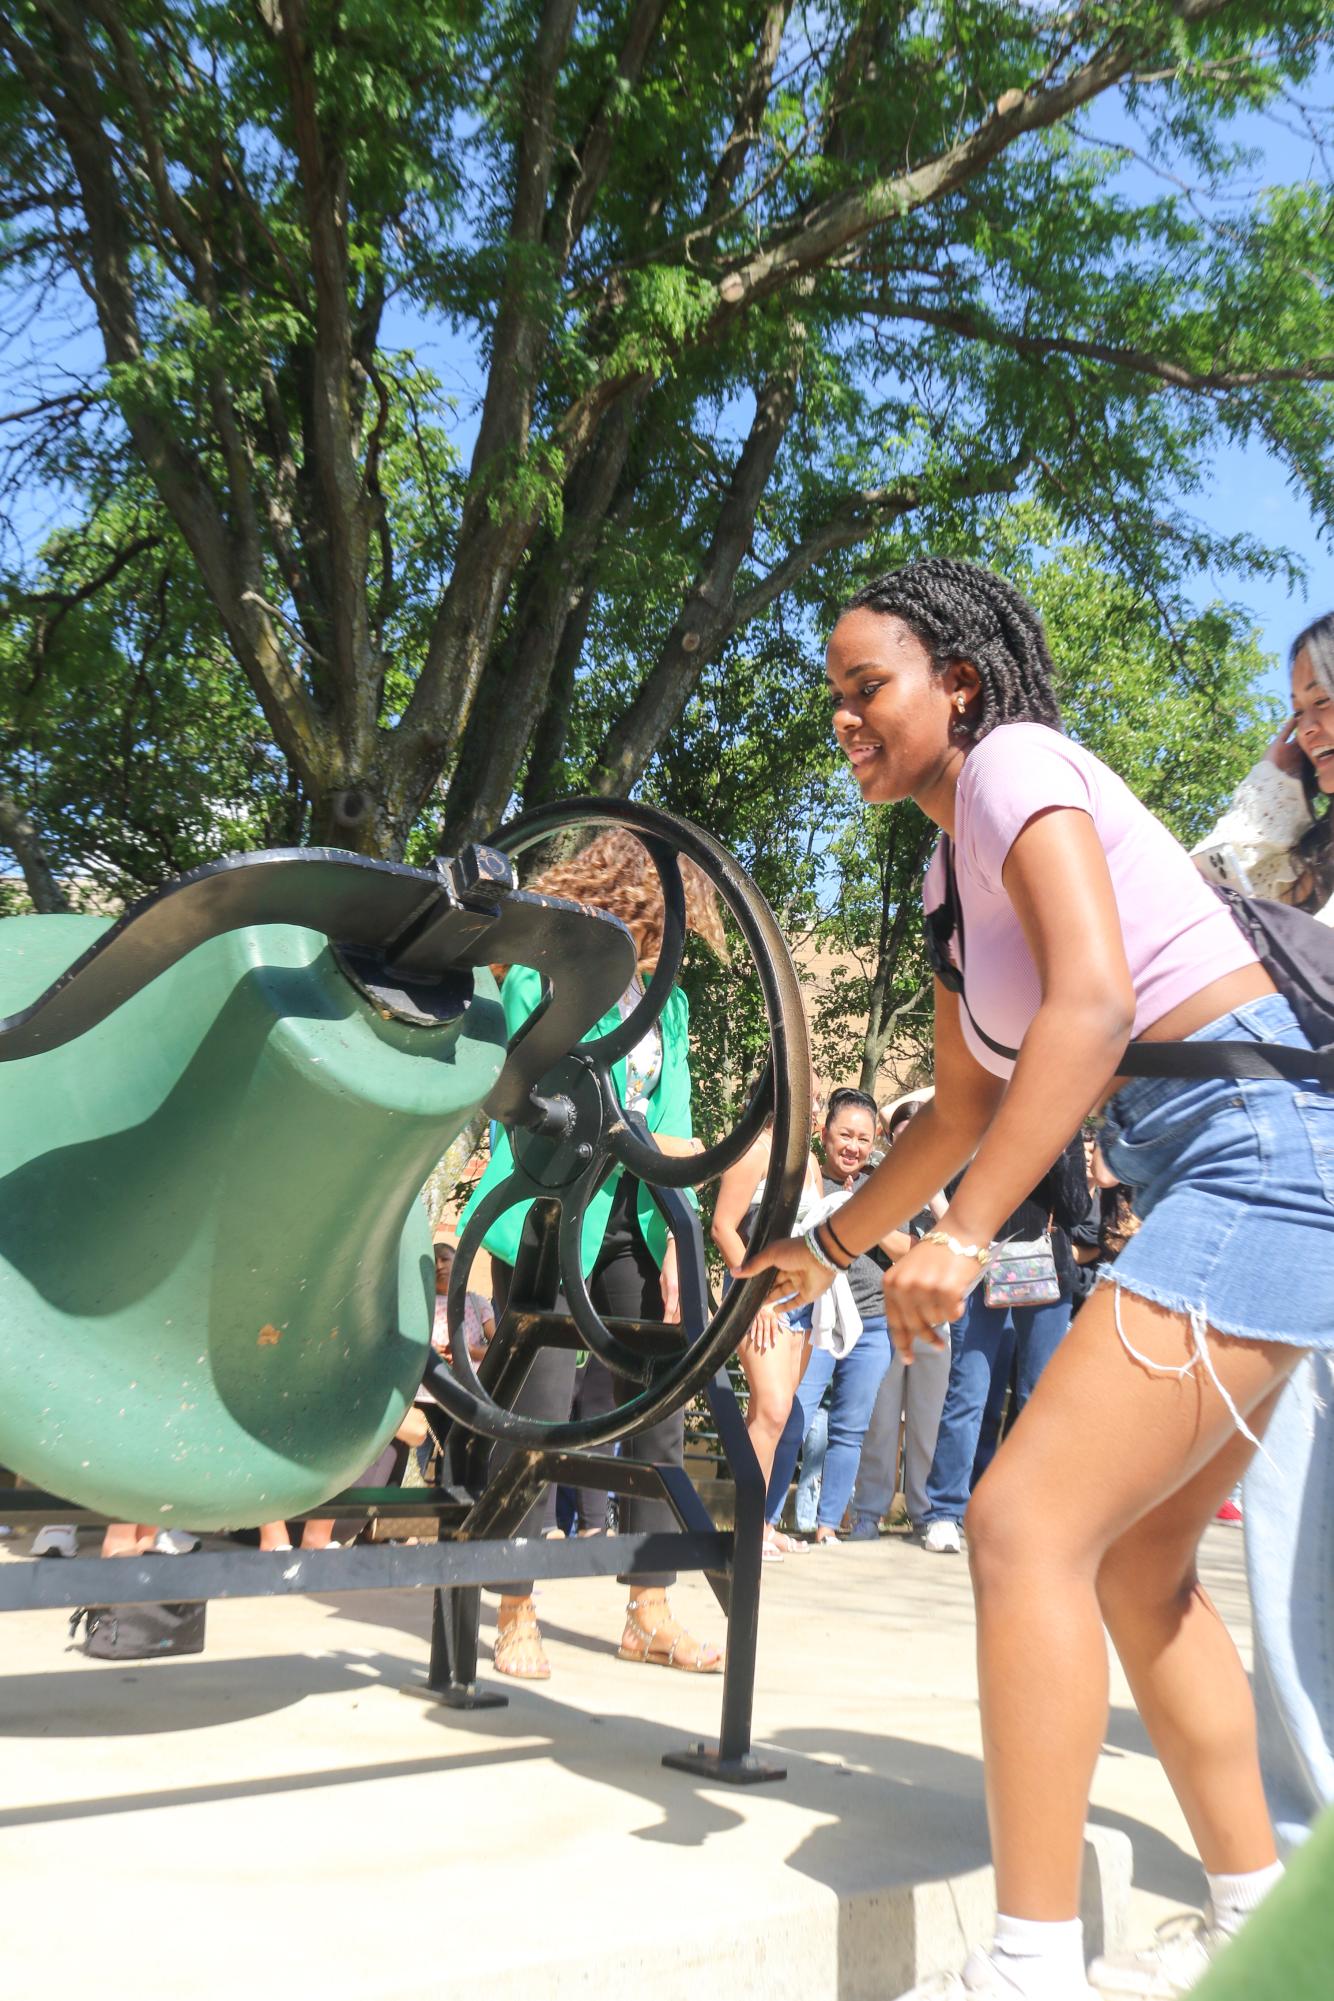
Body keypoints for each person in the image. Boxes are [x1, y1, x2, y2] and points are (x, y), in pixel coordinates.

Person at [739, 557, 1333, 2001]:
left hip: (1260, 1143)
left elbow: (1093, 1002)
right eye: (830, 696)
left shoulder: (1013, 762)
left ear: (957, 678)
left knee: (1015, 1527)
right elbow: (949, 1114)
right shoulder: (948, 869)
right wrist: (815, 1250)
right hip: (1222, 1155)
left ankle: (1028, 1968)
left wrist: (960, 1235)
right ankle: (1257, 1921)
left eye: (864, 686)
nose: (842, 719)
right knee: (1133, 1564)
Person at [459, 829, 726, 1681]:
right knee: (538, 1411)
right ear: (635, 901)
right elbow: (527, 1094)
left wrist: (683, 1243)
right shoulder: (544, 970)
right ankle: (513, 1606)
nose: (662, 951)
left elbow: (674, 1129)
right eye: (658, 929)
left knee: (658, 1414)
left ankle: (649, 1608)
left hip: (637, 1219)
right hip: (549, 1213)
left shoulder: (667, 1004)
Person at [1191, 609, 1334, 1854]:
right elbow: (1215, 872)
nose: (1307, 732)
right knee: (1289, 1544)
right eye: (1295, 711)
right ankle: (1304, 1863)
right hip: (1308, 1213)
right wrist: (1282, 775)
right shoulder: (1304, 862)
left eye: (1324, 705)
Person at [917, 1133, 1089, 1554]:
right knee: (968, 1392)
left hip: (1048, 1268)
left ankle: (1028, 1512)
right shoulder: (983, 1119)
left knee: (1038, 1397)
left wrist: (1054, 1152)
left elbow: (1077, 1210)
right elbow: (956, 1196)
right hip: (980, 1267)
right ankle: (944, 1512)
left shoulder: (1064, 1129)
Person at [753, 1087, 897, 1546]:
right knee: (791, 1416)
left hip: (872, 1321)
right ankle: (767, 1520)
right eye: (845, 1135)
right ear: (824, 1133)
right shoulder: (808, 1179)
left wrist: (866, 1215)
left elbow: (909, 1249)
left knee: (850, 1430)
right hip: (813, 1318)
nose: (853, 1147)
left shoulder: (885, 1186)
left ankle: (828, 1525)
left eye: (864, 1138)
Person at [711, 1088, 825, 1562]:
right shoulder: (754, 1152)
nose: (815, 1107)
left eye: (818, 1100)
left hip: (803, 1303)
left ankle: (760, 1521)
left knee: (777, 1414)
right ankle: (745, 1526)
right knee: (773, 1411)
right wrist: (754, 1297)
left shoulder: (811, 1162)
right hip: (758, 1301)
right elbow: (722, 1227)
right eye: (809, 1096)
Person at [848, 1094, 952, 1538]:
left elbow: (955, 1243)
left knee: (928, 1419)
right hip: (884, 1312)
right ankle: (869, 1512)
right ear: (890, 1141)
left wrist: (933, 1193)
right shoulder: (875, 1181)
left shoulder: (943, 1183)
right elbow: (889, 1243)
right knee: (882, 1417)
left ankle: (925, 1514)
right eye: (902, 1138)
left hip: (932, 1315)